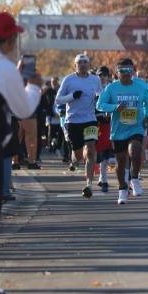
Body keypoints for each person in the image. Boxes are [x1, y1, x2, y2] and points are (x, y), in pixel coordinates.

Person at [0, 11, 42, 273]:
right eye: (13, 36)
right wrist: (33, 86)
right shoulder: (2, 67)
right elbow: (23, 110)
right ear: (7, 38)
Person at [96, 58, 148, 204]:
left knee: (135, 150)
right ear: (117, 72)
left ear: (133, 70)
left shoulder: (141, 85)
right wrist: (114, 107)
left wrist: (147, 116)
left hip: (136, 126)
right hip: (118, 129)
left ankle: (134, 178)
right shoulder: (111, 88)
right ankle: (122, 189)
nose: (127, 74)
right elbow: (100, 105)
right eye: (123, 71)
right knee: (121, 162)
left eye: (129, 70)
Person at [55, 53, 102, 198]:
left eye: (85, 62)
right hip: (73, 121)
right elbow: (58, 100)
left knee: (90, 150)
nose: (82, 64)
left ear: (89, 65)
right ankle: (74, 160)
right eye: (79, 62)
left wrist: (99, 98)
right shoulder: (69, 80)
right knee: (78, 155)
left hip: (90, 119)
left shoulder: (95, 79)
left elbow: (101, 94)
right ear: (75, 65)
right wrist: (72, 96)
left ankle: (89, 184)